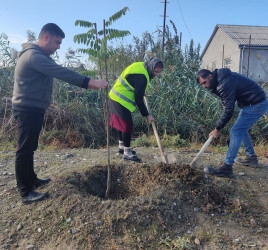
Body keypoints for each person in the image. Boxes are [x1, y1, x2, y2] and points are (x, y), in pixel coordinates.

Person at [12, 23, 108, 203]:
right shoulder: (34, 56)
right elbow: (61, 72)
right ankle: (25, 191)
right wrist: (90, 82)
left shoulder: (39, 55)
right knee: (24, 149)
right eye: (57, 42)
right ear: (46, 36)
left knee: (31, 146)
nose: (58, 47)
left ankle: (31, 179)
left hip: (33, 108)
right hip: (27, 108)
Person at [196, 68, 268, 178]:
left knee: (235, 131)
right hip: (250, 103)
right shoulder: (221, 80)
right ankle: (251, 158)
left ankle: (226, 167)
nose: (204, 86)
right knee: (241, 129)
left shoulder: (223, 83)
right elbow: (227, 105)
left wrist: (217, 128)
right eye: (201, 84)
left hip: (256, 104)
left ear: (210, 76)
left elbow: (229, 110)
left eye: (204, 82)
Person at [108, 58, 163, 162]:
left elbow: (133, 82)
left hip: (114, 96)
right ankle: (127, 154)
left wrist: (140, 91)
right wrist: (147, 115)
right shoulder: (142, 77)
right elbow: (138, 99)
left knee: (120, 124)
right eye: (155, 71)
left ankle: (121, 148)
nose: (156, 74)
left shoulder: (142, 66)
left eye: (158, 72)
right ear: (151, 67)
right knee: (127, 125)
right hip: (119, 99)